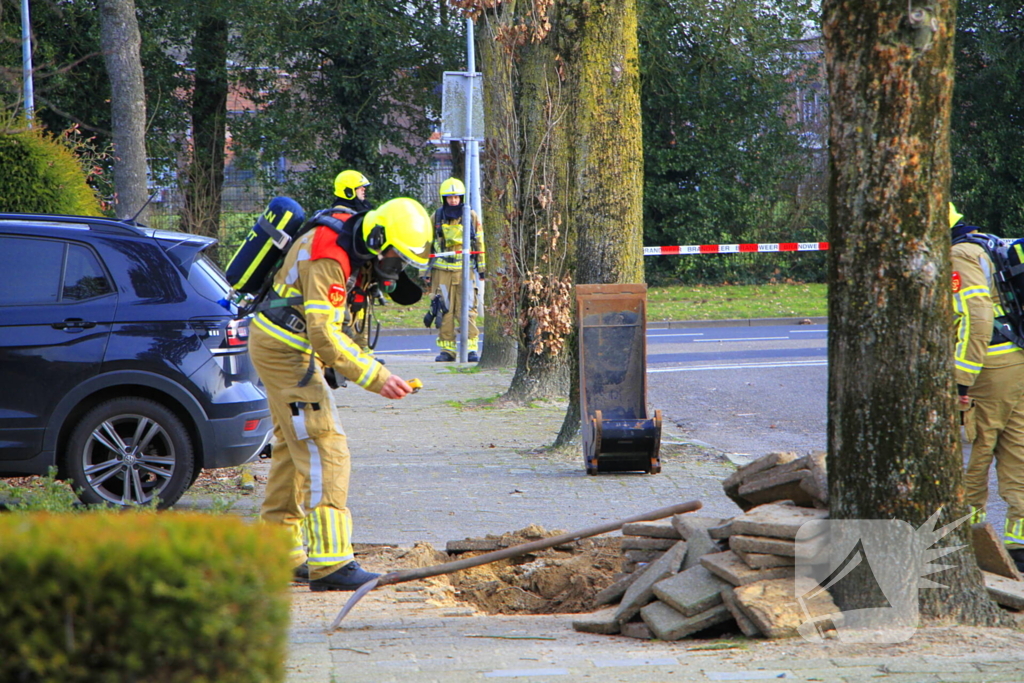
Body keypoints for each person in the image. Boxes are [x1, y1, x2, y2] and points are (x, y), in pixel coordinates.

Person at [249, 196, 432, 590]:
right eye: (395, 260)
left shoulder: (355, 243)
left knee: (291, 447)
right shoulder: (330, 255)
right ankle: (331, 563)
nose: (395, 270)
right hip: (286, 350)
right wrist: (375, 376)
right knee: (325, 446)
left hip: (284, 346)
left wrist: (363, 362)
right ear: (378, 239)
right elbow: (324, 333)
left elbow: (336, 326)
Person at [950, 202, 1024, 571]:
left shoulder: (959, 254)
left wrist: (962, 378)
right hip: (1015, 359)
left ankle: (969, 542)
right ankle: (1019, 548)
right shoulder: (983, 243)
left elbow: (977, 319)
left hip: (987, 368)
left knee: (975, 456)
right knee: (1016, 451)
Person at [425, 177, 486, 362]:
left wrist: (482, 269)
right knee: (444, 310)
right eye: (450, 198)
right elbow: (427, 244)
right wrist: (424, 273)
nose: (453, 201)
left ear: (462, 198)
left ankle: (470, 349)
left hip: (464, 273)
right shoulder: (436, 216)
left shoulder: (471, 216)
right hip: (441, 273)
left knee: (467, 309)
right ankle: (447, 351)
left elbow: (480, 242)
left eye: (457, 197)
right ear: (444, 199)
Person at [331, 170, 376, 353]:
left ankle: (363, 353)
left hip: (361, 279)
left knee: (361, 315)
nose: (364, 190)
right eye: (360, 188)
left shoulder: (362, 213)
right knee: (344, 318)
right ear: (349, 191)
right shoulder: (342, 216)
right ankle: (345, 356)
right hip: (346, 279)